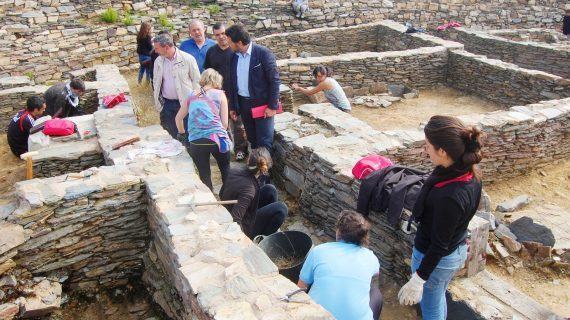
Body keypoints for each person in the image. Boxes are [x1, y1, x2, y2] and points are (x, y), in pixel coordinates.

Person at [398, 115, 484, 320]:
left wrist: (419, 278)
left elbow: (438, 244)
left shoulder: (449, 197)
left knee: (431, 304)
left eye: (427, 146)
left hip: (438, 259)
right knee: (437, 296)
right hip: (456, 249)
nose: (424, 150)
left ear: (443, 151)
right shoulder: (468, 173)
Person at [297, 210, 382, 320]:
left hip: (315, 316)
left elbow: (301, 287)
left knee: (313, 279)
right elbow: (374, 277)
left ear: (338, 232)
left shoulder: (319, 251)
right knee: (376, 292)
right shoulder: (372, 258)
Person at [225, 24, 281, 150]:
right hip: (244, 104)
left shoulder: (263, 53)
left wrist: (272, 106)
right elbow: (232, 82)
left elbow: (275, 81)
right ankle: (256, 166)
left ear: (239, 42)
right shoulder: (233, 56)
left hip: (263, 105)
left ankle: (265, 169)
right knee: (252, 139)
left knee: (264, 142)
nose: (228, 46)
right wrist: (233, 106)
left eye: (230, 43)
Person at [175, 68, 231, 191]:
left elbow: (178, 119)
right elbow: (225, 124)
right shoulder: (220, 94)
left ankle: (209, 203)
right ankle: (227, 198)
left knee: (204, 174)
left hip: (196, 140)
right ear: (217, 81)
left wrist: (183, 135)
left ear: (203, 80)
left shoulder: (191, 95)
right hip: (217, 138)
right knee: (225, 169)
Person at [219, 147, 288, 239]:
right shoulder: (249, 190)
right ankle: (261, 238)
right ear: (264, 169)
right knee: (281, 208)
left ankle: (269, 223)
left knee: (270, 189)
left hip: (236, 209)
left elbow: (221, 193)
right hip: (245, 227)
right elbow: (235, 219)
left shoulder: (234, 169)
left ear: (248, 160)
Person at [204, 22, 249, 161]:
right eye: (217, 35)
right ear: (214, 36)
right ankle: (223, 149)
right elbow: (207, 72)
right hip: (217, 95)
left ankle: (240, 150)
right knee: (219, 122)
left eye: (223, 33)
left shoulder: (235, 50)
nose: (221, 37)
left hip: (235, 93)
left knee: (238, 123)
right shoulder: (211, 52)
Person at [152, 32, 200, 138]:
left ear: (166, 47)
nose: (155, 51)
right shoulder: (158, 62)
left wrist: (195, 104)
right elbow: (156, 82)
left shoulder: (187, 59)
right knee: (170, 136)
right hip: (167, 105)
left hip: (186, 104)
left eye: (157, 48)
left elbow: (197, 82)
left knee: (189, 135)